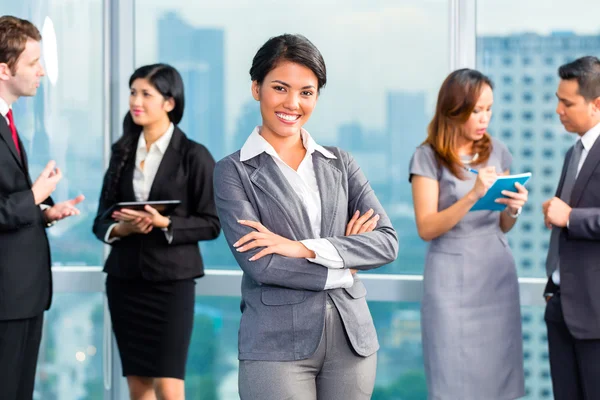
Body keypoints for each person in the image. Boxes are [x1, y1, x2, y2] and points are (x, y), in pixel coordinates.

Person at [213, 34, 398, 400]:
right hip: (275, 346)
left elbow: (387, 243)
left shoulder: (340, 163)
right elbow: (261, 265)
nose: (292, 103)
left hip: (352, 341)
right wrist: (345, 265)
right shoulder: (232, 171)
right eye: (280, 88)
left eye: (306, 92)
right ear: (256, 87)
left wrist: (298, 248)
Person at [92, 63, 220, 400]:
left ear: (169, 102)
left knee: (168, 386)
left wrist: (166, 223)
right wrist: (123, 227)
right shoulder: (122, 153)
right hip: (124, 280)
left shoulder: (195, 156)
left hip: (171, 284)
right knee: (138, 387)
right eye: (133, 92)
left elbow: (212, 223)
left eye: (146, 94)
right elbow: (100, 222)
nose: (136, 100)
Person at [409, 68, 528, 399]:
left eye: (489, 109)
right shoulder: (427, 156)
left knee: (499, 383)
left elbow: (503, 224)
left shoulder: (498, 151)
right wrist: (473, 194)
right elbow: (426, 227)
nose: (484, 118)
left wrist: (513, 207)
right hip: (450, 283)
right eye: (477, 110)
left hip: (496, 276)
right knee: (452, 381)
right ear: (454, 109)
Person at [0, 15, 84, 399]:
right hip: (6, 296)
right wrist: (35, 195)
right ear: (5, 69)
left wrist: (45, 211)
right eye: (34, 64)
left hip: (21, 294)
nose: (42, 72)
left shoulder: (10, 121)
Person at [543, 56, 600, 400]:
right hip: (561, 306)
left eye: (567, 103)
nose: (558, 110)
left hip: (595, 314)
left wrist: (570, 217)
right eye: (557, 100)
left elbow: (573, 217)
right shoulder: (573, 152)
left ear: (597, 104)